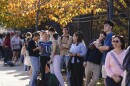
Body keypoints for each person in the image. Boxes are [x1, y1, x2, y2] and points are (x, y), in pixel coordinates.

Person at [97, 20, 114, 85]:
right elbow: (103, 50)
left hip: (109, 62)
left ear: (111, 27)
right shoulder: (107, 36)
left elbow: (107, 48)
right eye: (104, 25)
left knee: (108, 80)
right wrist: (99, 41)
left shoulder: (110, 35)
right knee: (105, 79)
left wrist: (98, 46)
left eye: (106, 25)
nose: (104, 27)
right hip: (105, 60)